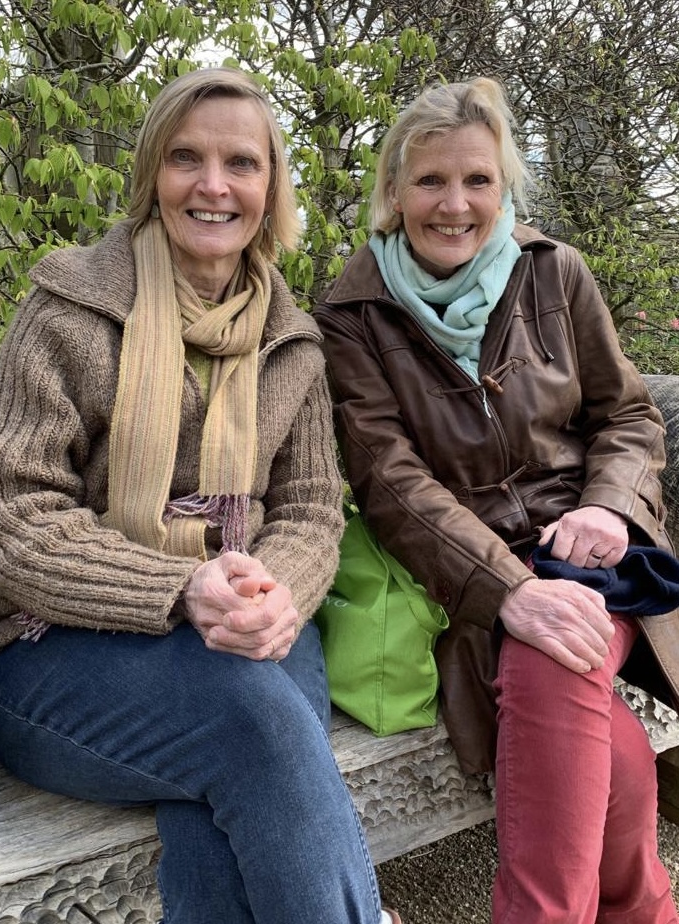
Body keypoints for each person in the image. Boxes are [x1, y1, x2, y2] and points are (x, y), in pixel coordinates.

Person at [0, 67, 402, 924]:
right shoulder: (70, 312)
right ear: (150, 176)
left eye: (241, 163)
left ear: (270, 187)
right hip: (52, 649)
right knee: (266, 733)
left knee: (239, 775)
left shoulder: (293, 345)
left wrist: (278, 595)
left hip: (246, 635)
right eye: (185, 158)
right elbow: (9, 515)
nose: (213, 185)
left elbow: (312, 509)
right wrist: (176, 588)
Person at [314, 76, 679, 923]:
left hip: (595, 555)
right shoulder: (352, 313)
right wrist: (512, 590)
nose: (455, 203)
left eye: (477, 180)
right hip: (464, 577)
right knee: (602, 737)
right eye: (431, 181)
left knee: (560, 651)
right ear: (393, 190)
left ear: (504, 186)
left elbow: (624, 414)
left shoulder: (556, 273)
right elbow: (390, 484)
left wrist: (608, 507)